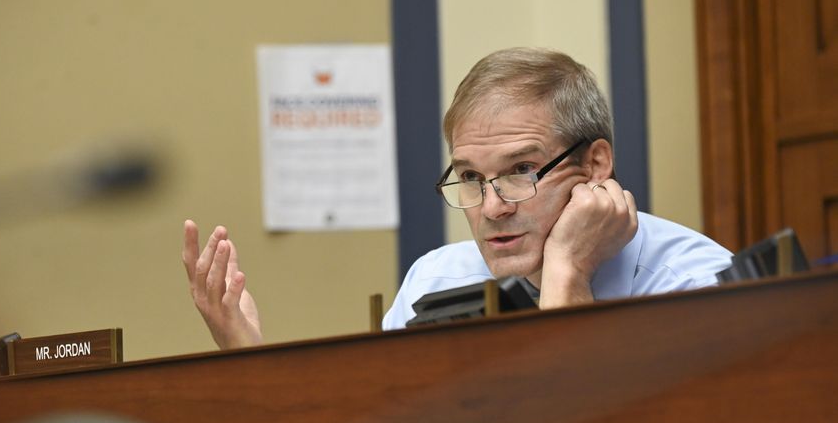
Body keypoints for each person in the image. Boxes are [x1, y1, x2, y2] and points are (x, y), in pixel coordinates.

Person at [182, 47, 733, 348]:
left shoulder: (696, 281)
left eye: (521, 170)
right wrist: (247, 356)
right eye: (470, 178)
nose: (492, 208)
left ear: (595, 164)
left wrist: (568, 273)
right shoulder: (436, 279)